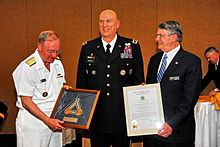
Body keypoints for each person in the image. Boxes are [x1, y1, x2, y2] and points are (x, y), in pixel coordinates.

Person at [76, 9, 144, 147]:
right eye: (101, 21)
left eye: (108, 21)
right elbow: (82, 83)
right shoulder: (88, 47)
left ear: (117, 24)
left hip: (122, 116)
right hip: (97, 117)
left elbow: (138, 81)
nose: (104, 25)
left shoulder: (131, 46)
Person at [144, 20, 202, 147]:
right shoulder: (154, 60)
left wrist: (172, 124)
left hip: (177, 134)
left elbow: (189, 100)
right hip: (152, 132)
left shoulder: (191, 61)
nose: (156, 39)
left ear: (174, 37)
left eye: (161, 35)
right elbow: (150, 90)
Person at [12, 30, 67, 147]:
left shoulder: (57, 63)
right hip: (34, 125)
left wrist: (66, 89)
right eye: (51, 51)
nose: (55, 55)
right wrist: (47, 120)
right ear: (39, 46)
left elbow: (60, 86)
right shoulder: (27, 67)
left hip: (54, 121)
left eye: (57, 51)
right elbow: (26, 101)